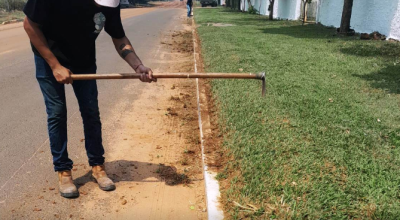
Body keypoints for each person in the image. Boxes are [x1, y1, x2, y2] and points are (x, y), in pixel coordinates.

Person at [23, 0, 156, 198]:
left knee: (91, 111)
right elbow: (29, 25)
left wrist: (138, 66)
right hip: (48, 57)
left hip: (83, 59)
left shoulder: (110, 4)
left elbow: (119, 37)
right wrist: (55, 65)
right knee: (57, 112)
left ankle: (97, 166)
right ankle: (63, 170)